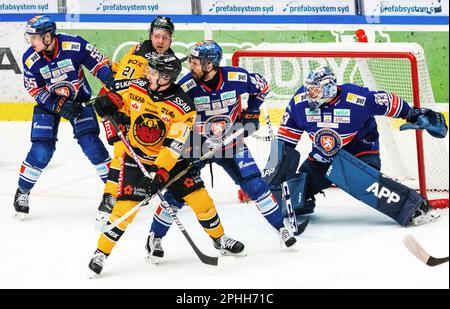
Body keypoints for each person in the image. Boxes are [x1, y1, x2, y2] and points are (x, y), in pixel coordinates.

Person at [87, 53, 244, 277]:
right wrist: (109, 105)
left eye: (153, 72)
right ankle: (100, 253)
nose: (147, 74)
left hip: (171, 163)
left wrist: (160, 173)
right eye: (149, 70)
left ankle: (219, 239)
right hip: (137, 158)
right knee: (124, 211)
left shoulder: (183, 107)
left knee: (201, 200)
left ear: (166, 77)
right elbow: (120, 104)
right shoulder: (137, 87)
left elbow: (173, 146)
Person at [144, 40, 297, 264]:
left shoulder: (237, 78)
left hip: (232, 139)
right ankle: (154, 238)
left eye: (195, 63)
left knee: (256, 185)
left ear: (209, 65)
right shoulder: (187, 86)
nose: (190, 66)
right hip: (197, 143)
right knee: (179, 192)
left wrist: (252, 112)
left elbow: (262, 87)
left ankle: (280, 229)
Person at [265, 65, 447, 227]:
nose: (309, 94)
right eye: (309, 90)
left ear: (328, 87)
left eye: (315, 90)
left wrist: (414, 114)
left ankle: (416, 207)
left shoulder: (357, 98)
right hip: (323, 158)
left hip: (360, 154)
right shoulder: (299, 103)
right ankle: (304, 202)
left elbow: (389, 101)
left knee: (355, 177)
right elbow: (284, 143)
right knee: (293, 196)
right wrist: (270, 177)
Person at [13, 15, 115, 219]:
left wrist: (110, 80)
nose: (31, 42)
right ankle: (22, 191)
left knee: (91, 144)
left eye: (34, 37)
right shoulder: (30, 58)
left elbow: (98, 63)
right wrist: (58, 104)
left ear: (48, 36)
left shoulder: (74, 45)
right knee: (42, 149)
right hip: (49, 104)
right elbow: (35, 90)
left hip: (79, 101)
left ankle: (114, 192)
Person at [95, 16, 177, 229]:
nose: (160, 41)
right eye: (157, 36)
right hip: (116, 106)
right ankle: (109, 200)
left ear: (170, 39)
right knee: (122, 152)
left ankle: (127, 192)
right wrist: (122, 113)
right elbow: (121, 85)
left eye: (165, 37)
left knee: (137, 152)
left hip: (136, 111)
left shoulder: (169, 58)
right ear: (151, 36)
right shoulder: (141, 54)